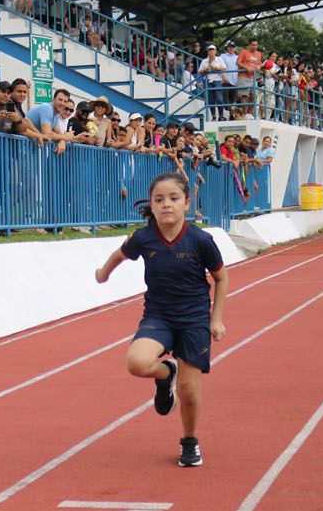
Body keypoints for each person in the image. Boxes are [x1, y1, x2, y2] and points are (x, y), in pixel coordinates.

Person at [94, 171, 228, 467]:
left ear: (187, 204)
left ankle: (189, 441)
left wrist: (215, 319)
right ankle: (166, 373)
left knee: (189, 391)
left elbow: (221, 277)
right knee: (137, 363)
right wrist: (103, 273)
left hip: (194, 320)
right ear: (151, 206)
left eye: (173, 198)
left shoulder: (200, 240)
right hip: (159, 315)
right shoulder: (144, 238)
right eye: (159, 199)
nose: (166, 204)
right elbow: (119, 255)